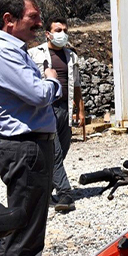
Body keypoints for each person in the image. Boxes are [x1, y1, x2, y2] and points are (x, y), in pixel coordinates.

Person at [0, 0, 62, 256]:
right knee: (26, 236)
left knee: (23, 231)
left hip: (29, 147)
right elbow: (39, 94)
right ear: (9, 19)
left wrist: (45, 83)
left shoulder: (13, 50)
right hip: (25, 148)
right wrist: (52, 79)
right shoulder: (2, 51)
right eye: (33, 17)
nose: (39, 23)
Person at [28, 16, 85, 213]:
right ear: (48, 33)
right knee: (55, 152)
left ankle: (42, 193)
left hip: (65, 109)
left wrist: (80, 110)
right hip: (46, 108)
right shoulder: (34, 54)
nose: (62, 34)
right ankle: (65, 193)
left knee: (63, 148)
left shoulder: (71, 56)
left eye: (65, 30)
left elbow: (76, 84)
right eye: (58, 30)